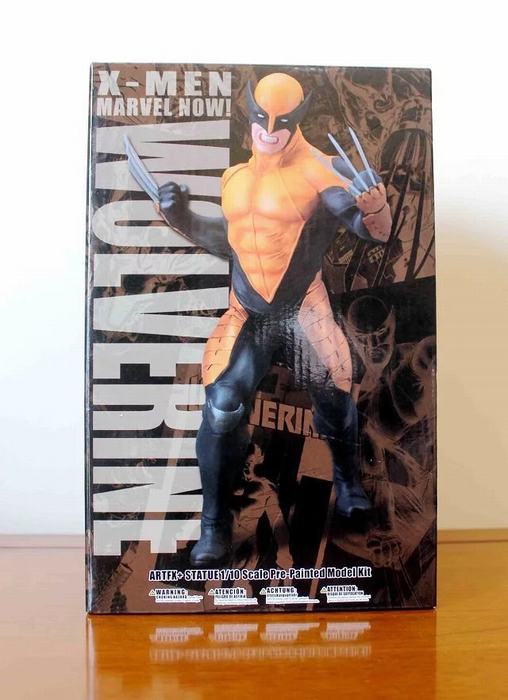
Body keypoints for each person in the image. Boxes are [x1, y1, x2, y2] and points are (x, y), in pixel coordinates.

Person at [126, 72, 392, 566]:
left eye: (281, 122)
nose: (269, 131)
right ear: (248, 114)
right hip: (248, 310)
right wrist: (181, 216)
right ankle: (214, 525)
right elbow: (231, 241)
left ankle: (349, 483)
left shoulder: (320, 170)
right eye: (261, 119)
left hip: (302, 307)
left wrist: (375, 210)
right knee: (221, 407)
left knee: (334, 394)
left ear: (298, 119)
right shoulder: (235, 177)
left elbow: (365, 227)